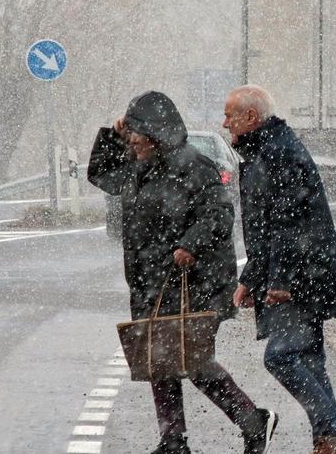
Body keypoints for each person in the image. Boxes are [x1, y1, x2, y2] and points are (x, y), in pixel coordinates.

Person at [86, 90, 277, 454]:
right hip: (151, 282)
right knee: (160, 361)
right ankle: (174, 440)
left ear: (156, 134)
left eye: (136, 136)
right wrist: (112, 136)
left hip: (195, 281)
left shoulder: (194, 165)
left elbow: (219, 214)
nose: (133, 143)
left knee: (193, 362)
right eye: (130, 137)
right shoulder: (139, 163)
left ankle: (252, 419)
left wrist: (190, 244)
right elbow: (101, 174)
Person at [224, 85, 336, 454]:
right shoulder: (264, 150)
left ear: (250, 118)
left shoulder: (277, 153)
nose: (225, 123)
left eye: (229, 115)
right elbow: (265, 227)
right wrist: (250, 278)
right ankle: (327, 439)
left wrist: (280, 281)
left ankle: (332, 432)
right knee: (310, 360)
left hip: (301, 275)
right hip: (303, 271)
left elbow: (286, 224)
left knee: (281, 357)